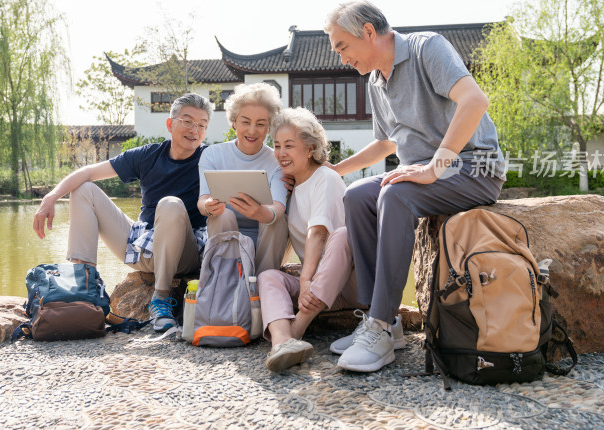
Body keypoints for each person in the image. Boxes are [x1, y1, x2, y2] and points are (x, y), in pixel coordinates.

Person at [324, 1, 506, 372]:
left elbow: (475, 101)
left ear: (369, 33)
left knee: (397, 193)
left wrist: (434, 168)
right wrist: (335, 169)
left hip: (473, 166)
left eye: (342, 46)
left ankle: (379, 324)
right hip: (425, 168)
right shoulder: (376, 81)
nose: (341, 58)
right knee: (357, 196)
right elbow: (387, 143)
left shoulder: (427, 48)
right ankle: (383, 323)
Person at [33, 93, 214, 332]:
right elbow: (87, 172)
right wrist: (51, 196)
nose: (194, 130)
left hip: (183, 253)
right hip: (143, 247)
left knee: (170, 204)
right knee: (83, 189)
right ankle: (84, 284)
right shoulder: (148, 155)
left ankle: (160, 299)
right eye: (188, 121)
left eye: (201, 125)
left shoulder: (210, 158)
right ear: (170, 124)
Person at [258, 107, 364, 372]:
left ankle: (295, 331)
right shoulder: (291, 187)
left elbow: (318, 233)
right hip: (320, 286)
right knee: (269, 277)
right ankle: (281, 343)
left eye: (289, 145)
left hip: (350, 283)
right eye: (277, 145)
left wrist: (305, 281)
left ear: (310, 148)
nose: (281, 153)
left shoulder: (325, 178)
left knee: (342, 235)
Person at [197, 82, 288, 275]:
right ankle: (227, 281)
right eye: (245, 122)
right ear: (234, 122)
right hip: (225, 241)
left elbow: (278, 206)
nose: (252, 130)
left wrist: (261, 212)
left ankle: (264, 284)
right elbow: (202, 200)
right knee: (223, 214)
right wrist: (208, 206)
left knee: (277, 220)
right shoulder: (213, 154)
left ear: (269, 127)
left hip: (264, 245)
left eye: (261, 124)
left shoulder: (276, 160)